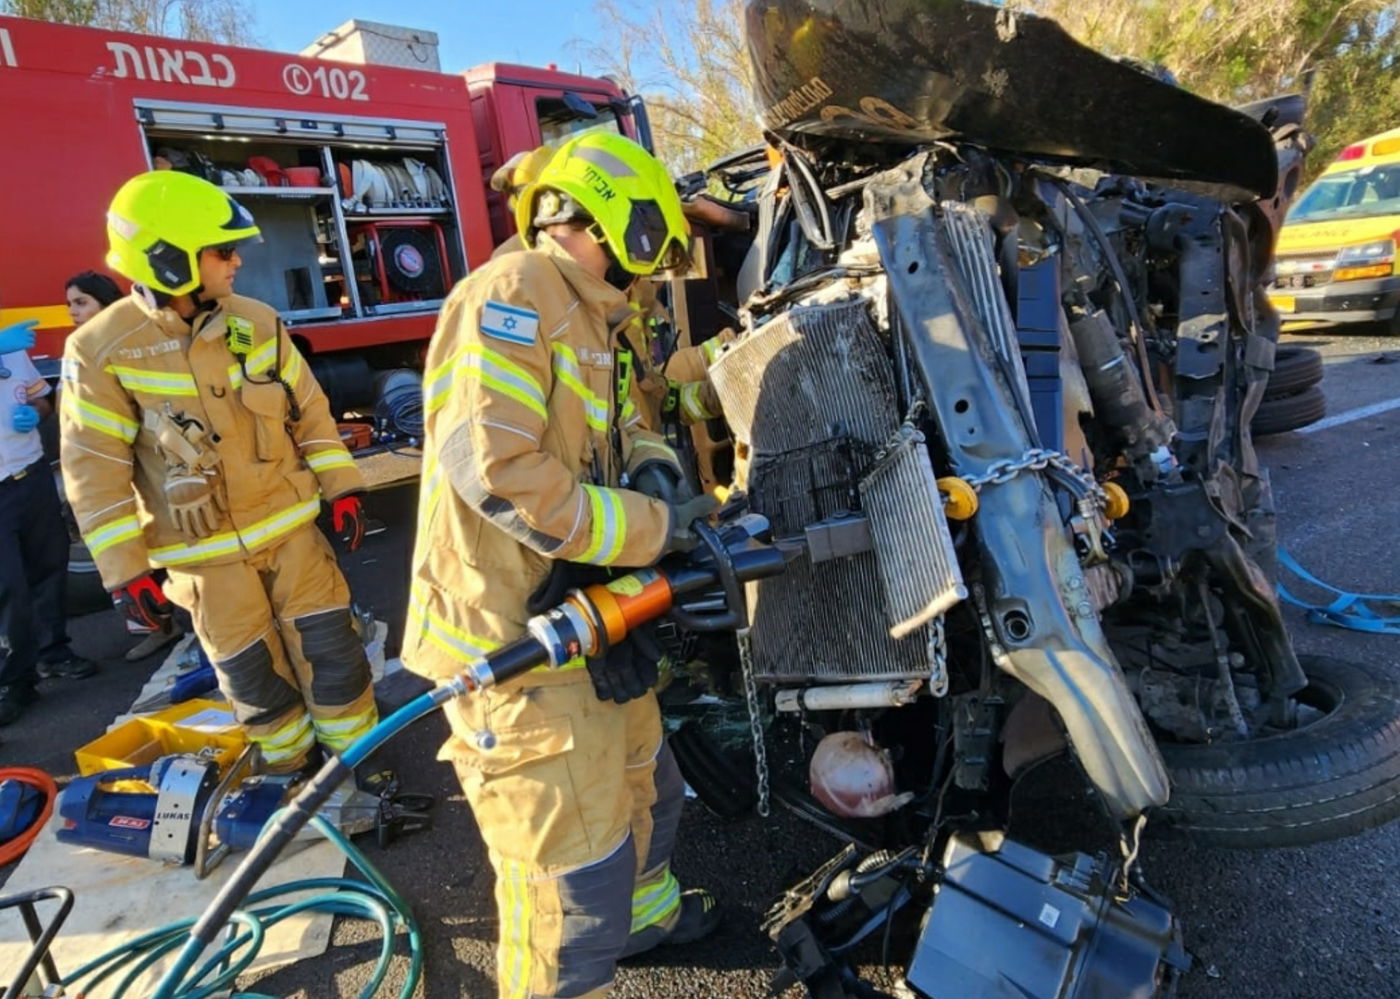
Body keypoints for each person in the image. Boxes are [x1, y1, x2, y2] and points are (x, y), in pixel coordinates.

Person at [405, 132, 721, 999]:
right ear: (618, 221)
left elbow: (632, 416)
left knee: (643, 786)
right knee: (566, 888)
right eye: (659, 237)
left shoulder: (598, 316)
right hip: (514, 641)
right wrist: (657, 526)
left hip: (590, 619)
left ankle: (648, 920)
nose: (661, 264)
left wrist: (656, 462)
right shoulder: (511, 295)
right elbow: (500, 473)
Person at [59, 170, 377, 776]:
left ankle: (359, 762)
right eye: (221, 251)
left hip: (292, 538)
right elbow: (92, 468)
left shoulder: (254, 321)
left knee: (334, 654)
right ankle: (291, 772)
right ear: (168, 258)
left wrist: (342, 487)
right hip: (204, 563)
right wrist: (126, 573)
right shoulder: (102, 348)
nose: (236, 262)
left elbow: (309, 411)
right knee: (255, 678)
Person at [64, 269, 188, 662]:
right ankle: (161, 626)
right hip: (125, 477)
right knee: (139, 552)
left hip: (161, 474)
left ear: (107, 302)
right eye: (70, 304)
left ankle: (187, 628)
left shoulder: (137, 342)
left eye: (80, 302)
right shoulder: (85, 352)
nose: (72, 312)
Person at [0, 316, 99, 724]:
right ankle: (12, 682)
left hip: (32, 475)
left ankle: (53, 653)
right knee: (8, 588)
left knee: (49, 569)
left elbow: (43, 399)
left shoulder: (12, 349)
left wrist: (34, 411)